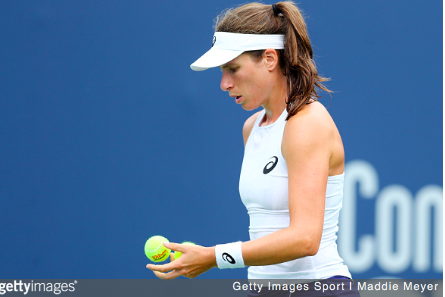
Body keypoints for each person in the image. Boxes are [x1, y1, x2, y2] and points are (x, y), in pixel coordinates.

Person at [147, 2, 359, 295]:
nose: (224, 83)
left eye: (233, 69)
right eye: (223, 71)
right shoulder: (251, 128)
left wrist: (213, 257)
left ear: (270, 59)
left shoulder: (307, 123)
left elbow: (306, 239)